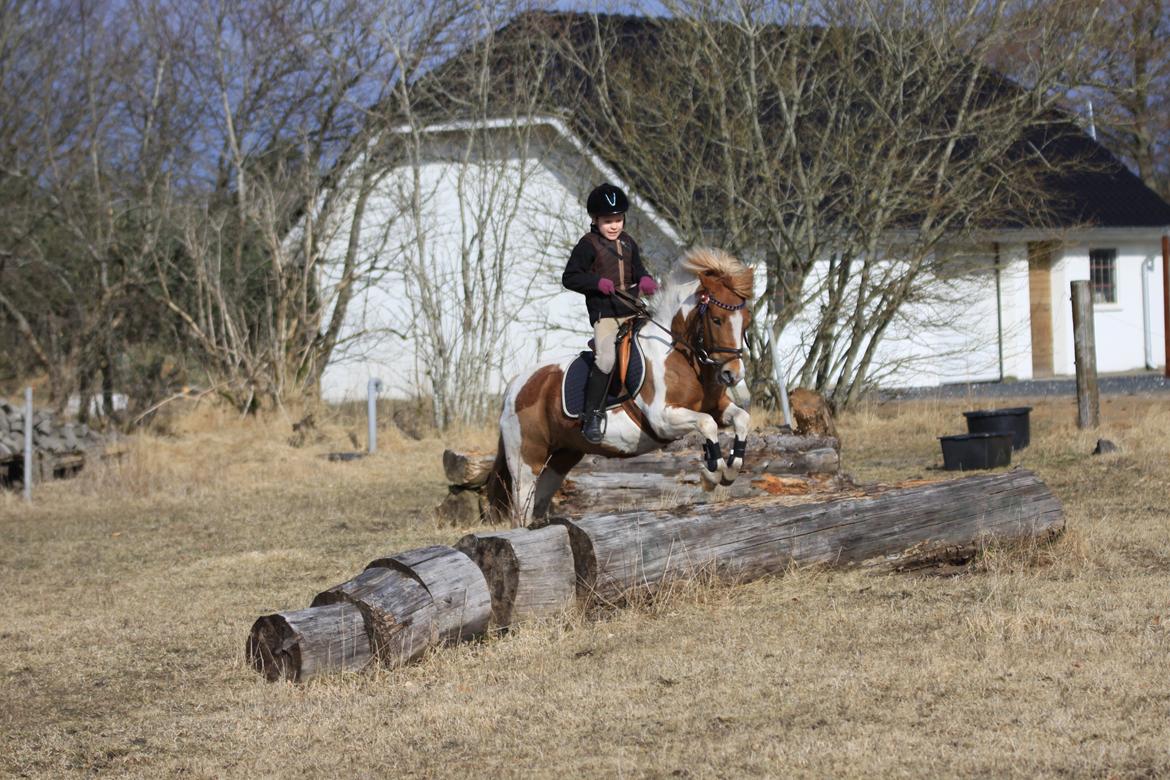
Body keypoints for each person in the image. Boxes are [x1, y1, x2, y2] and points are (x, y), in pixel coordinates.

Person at [562, 182, 658, 443]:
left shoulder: (628, 243)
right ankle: (592, 415)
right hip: (607, 317)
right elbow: (569, 277)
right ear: (595, 220)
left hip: (633, 311)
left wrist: (646, 280)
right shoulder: (587, 245)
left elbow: (638, 270)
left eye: (618, 220)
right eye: (608, 221)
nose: (614, 226)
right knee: (605, 359)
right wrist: (595, 284)